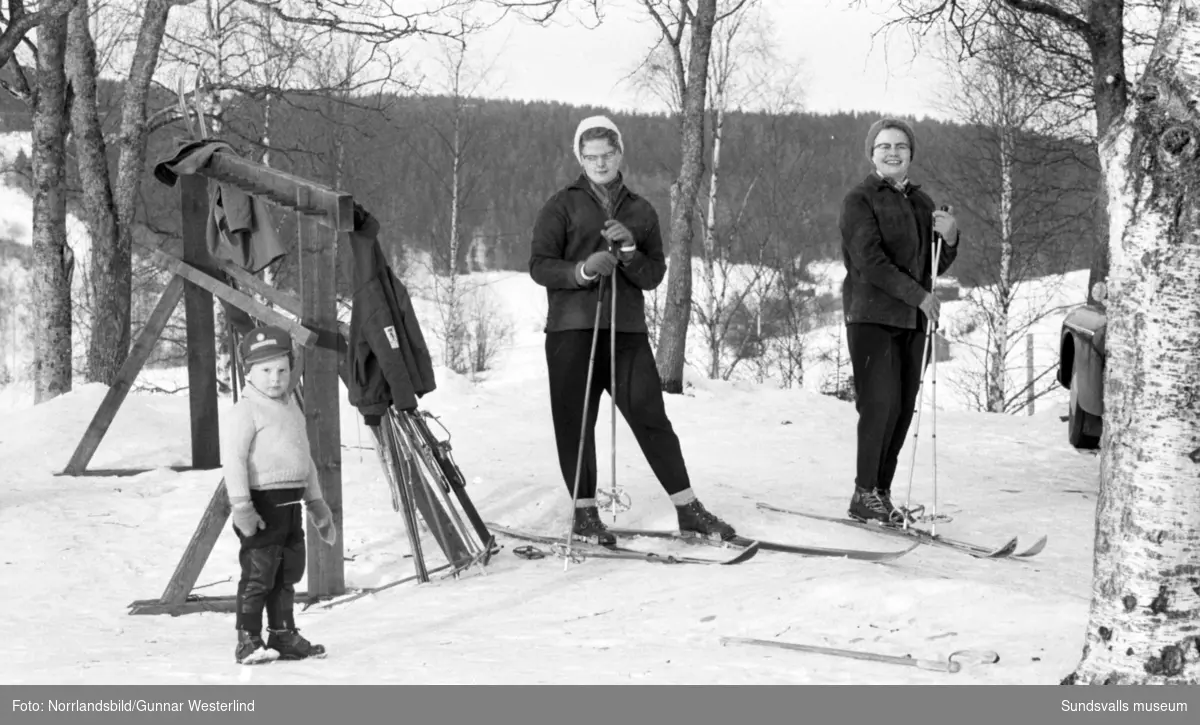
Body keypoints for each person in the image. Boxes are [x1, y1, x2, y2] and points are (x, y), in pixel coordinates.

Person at [528, 115, 737, 546]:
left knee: (651, 419)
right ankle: (585, 515)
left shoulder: (641, 210)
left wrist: (628, 252)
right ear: (579, 158)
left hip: (625, 332)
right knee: (576, 424)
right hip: (573, 332)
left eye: (607, 154)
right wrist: (583, 270)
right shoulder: (561, 205)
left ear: (620, 152)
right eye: (590, 156)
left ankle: (688, 509)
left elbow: (654, 274)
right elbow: (540, 266)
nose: (600, 162)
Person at [838, 118, 960, 524]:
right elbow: (869, 262)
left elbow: (933, 264)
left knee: (903, 408)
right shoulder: (860, 200)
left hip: (912, 320)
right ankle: (862, 491)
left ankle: (881, 493)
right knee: (879, 405)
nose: (893, 152)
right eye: (884, 146)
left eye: (901, 146)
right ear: (872, 153)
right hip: (871, 315)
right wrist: (919, 296)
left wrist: (951, 236)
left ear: (911, 154)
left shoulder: (922, 203)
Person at [221, 325, 337, 665]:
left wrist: (316, 502)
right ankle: (248, 639)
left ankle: (283, 634)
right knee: (259, 573)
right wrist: (241, 506)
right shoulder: (246, 411)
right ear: (249, 373)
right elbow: (233, 460)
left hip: (291, 507)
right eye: (266, 371)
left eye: (282, 370)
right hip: (261, 507)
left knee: (287, 572)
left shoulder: (291, 408)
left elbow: (305, 459)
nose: (275, 378)